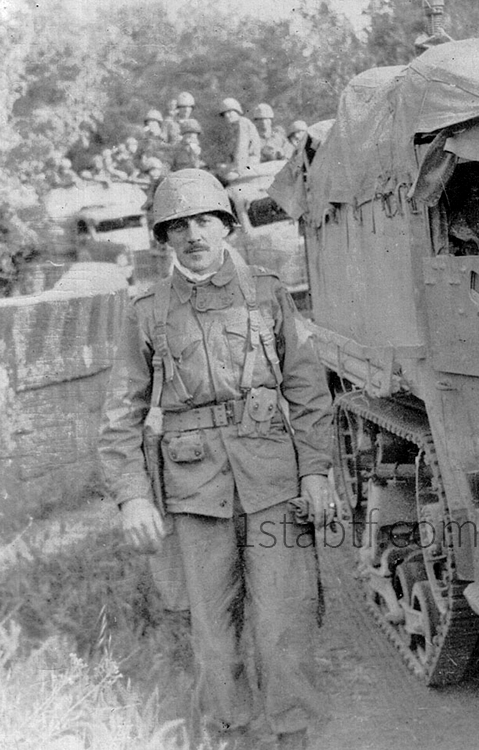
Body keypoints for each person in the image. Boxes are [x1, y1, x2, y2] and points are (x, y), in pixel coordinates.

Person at [98, 169, 334, 750]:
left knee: (284, 624)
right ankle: (230, 736)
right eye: (177, 225)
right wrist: (132, 495)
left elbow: (307, 390)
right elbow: (119, 414)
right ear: (163, 238)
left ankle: (293, 737)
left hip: (274, 483)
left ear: (226, 225)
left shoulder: (266, 291)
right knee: (213, 632)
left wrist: (316, 471)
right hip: (195, 491)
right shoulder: (147, 311)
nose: (193, 235)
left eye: (205, 220)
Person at [216, 97, 261, 181]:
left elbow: (241, 150)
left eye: (230, 111)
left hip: (248, 163)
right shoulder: (231, 129)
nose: (227, 115)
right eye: (224, 113)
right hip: (239, 165)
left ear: (237, 111)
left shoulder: (243, 123)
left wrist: (234, 169)